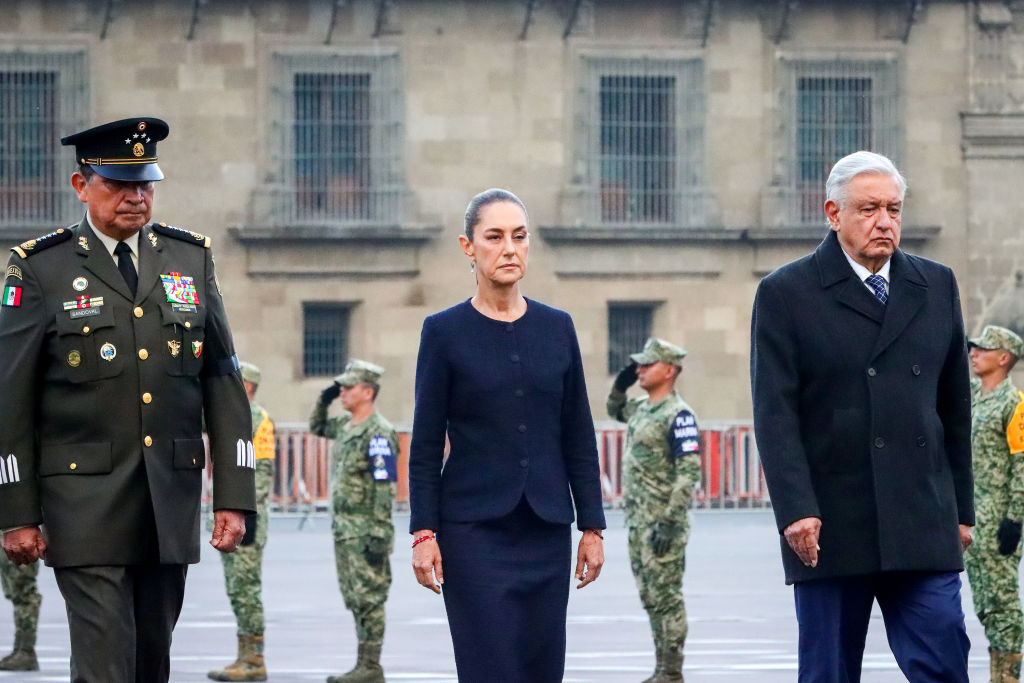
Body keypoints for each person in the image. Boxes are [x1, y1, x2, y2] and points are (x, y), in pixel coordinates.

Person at [0, 117, 256, 682]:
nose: (135, 197)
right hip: (83, 501)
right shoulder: (41, 267)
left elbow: (222, 380)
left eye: (145, 184)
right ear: (81, 185)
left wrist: (236, 496)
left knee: (150, 662)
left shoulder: (190, 259)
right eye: (118, 184)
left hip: (169, 497)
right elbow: (9, 396)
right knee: (104, 662)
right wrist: (16, 514)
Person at [750, 150, 974, 682]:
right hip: (831, 522)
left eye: (894, 209)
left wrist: (961, 510)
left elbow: (954, 407)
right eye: (869, 208)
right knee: (829, 672)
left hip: (922, 516)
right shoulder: (787, 292)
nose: (885, 222)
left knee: (944, 659)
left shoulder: (935, 284)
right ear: (833, 213)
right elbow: (775, 414)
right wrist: (796, 510)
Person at [409, 188, 606, 682]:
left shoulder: (557, 327)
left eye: (519, 236)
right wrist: (423, 532)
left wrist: (592, 526)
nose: (509, 248)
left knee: (542, 668)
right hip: (473, 532)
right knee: (489, 666)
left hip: (544, 529)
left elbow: (577, 433)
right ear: (468, 247)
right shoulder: (444, 331)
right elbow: (427, 441)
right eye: (494, 237)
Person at [608, 337, 701, 683]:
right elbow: (614, 408)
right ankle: (660, 667)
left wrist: (670, 520)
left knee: (667, 597)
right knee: (649, 595)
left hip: (663, 522)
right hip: (637, 521)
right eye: (639, 365)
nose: (641, 370)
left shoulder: (679, 415)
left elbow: (689, 471)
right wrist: (622, 383)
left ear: (670, 370)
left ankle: (672, 671)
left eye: (648, 364)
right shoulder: (642, 408)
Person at [310, 359, 398, 683]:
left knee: (370, 598)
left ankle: (371, 666)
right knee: (355, 597)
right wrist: (324, 398)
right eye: (341, 387)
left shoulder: (378, 433)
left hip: (365, 530)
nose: (343, 392)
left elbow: (383, 486)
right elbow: (317, 426)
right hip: (345, 531)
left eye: (348, 387)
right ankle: (362, 664)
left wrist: (379, 531)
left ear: (368, 391)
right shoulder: (346, 427)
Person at [209, 361, 275, 682]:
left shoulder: (259, 420)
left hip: (249, 519)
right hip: (236, 515)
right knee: (237, 590)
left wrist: (246, 512)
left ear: (247, 386)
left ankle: (254, 659)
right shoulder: (234, 417)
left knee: (247, 589)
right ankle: (244, 655)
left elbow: (261, 476)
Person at [965, 325, 1024, 682]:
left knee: (1003, 605)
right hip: (972, 523)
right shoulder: (973, 396)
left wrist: (1015, 519)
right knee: (985, 605)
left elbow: (1023, 463)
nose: (974, 353)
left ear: (1004, 358)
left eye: (983, 349)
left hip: (998, 520)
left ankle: (1007, 678)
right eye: (972, 349)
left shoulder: (1014, 404)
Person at [0, 553, 41, 671]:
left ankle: (26, 651)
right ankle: (19, 650)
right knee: (14, 592)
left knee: (23, 592)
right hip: (7, 539)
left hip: (17, 539)